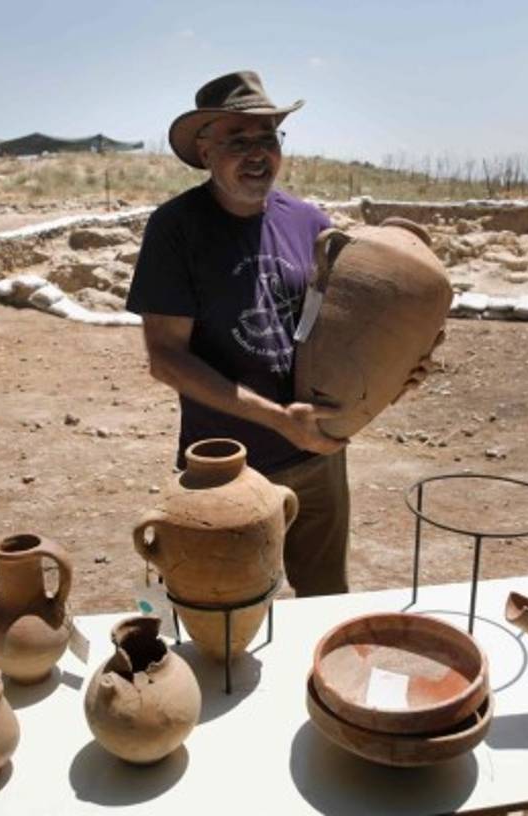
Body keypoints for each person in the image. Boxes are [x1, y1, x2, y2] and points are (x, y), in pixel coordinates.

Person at [126, 70, 432, 597]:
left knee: (324, 602)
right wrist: (276, 420)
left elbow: (343, 330)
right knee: (222, 614)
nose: (256, 153)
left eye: (267, 137)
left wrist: (392, 374)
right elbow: (166, 358)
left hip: (319, 456)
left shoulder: (309, 221)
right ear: (204, 151)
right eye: (237, 140)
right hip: (226, 467)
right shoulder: (176, 228)